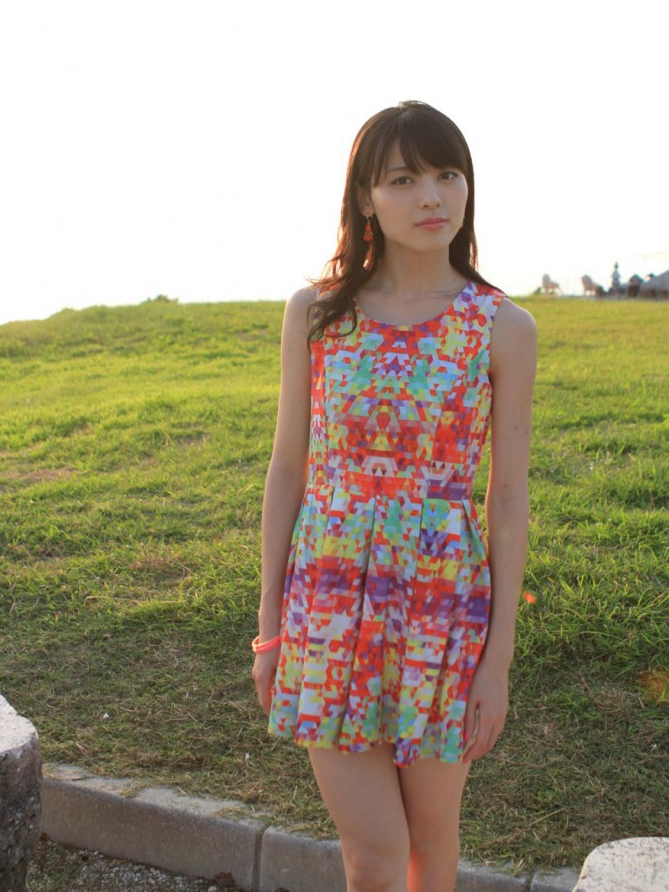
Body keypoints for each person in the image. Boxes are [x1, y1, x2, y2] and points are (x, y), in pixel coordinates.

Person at [252, 100, 537, 892]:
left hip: (442, 611)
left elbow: (507, 500)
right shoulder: (318, 313)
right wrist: (271, 629)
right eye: (404, 179)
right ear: (366, 198)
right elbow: (288, 470)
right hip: (327, 606)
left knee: (431, 846)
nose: (432, 197)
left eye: (448, 174)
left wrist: (496, 663)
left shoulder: (501, 327)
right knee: (374, 855)